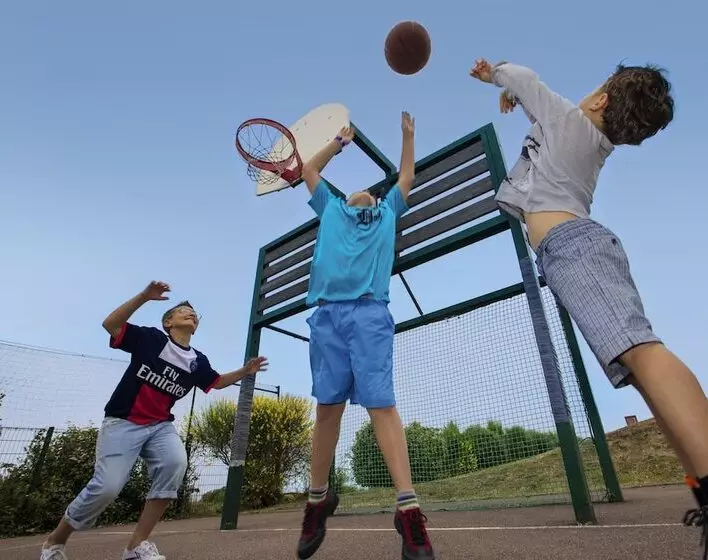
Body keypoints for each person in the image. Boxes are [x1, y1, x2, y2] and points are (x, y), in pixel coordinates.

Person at [469, 58, 708, 559]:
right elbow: (535, 109)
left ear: (602, 99)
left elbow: (528, 81)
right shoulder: (588, 140)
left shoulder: (567, 120)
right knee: (639, 366)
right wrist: (517, 98)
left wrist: (496, 73)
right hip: (574, 248)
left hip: (572, 246)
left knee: (642, 352)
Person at [40, 281, 268, 560]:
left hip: (160, 426)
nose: (191, 314)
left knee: (175, 464)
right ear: (168, 322)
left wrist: (246, 370)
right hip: (123, 421)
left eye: (194, 314)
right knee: (107, 487)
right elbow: (110, 324)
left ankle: (136, 547)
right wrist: (144, 297)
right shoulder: (151, 339)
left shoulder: (198, 361)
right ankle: (55, 542)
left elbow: (217, 382)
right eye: (183, 311)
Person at [294, 112, 435, 560]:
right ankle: (317, 500)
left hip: (370, 314)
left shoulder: (386, 213)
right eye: (361, 191)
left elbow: (407, 176)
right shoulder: (331, 209)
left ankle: (408, 510)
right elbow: (308, 172)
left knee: (382, 404)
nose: (366, 192)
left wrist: (408, 137)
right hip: (327, 318)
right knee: (327, 409)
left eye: (373, 191)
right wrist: (338, 143)